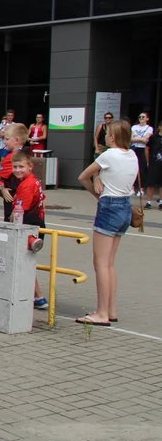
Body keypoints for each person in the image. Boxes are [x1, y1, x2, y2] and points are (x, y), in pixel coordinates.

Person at [77, 119, 138, 327]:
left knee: (100, 263)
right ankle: (111, 309)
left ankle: (101, 312)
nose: (105, 136)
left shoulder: (109, 155)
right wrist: (99, 176)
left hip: (109, 206)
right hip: (125, 206)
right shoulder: (132, 155)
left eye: (107, 133)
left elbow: (83, 176)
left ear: (112, 136)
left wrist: (96, 188)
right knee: (110, 263)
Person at [0, 124, 48, 309]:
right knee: (23, 259)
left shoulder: (24, 182)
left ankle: (32, 295)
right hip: (33, 221)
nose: (16, 170)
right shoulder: (31, 179)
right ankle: (35, 296)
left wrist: (1, 191)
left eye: (20, 167)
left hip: (25, 222)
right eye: (15, 167)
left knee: (19, 258)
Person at [131, 112, 153, 195]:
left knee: (142, 168)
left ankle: (141, 189)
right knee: (133, 167)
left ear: (147, 119)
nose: (141, 118)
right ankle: (132, 187)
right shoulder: (134, 127)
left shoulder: (149, 128)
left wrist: (136, 138)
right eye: (139, 116)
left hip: (142, 149)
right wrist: (140, 139)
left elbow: (146, 139)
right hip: (134, 148)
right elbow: (131, 139)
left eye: (143, 117)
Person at [145, 122, 162, 210]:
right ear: (160, 127)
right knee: (151, 183)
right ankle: (148, 202)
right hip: (154, 162)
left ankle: (161, 203)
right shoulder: (153, 137)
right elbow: (147, 148)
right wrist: (148, 161)